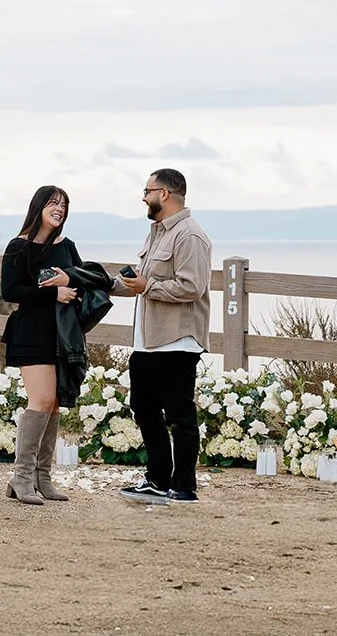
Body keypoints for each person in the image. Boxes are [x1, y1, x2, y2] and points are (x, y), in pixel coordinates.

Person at [112, 168, 212, 504]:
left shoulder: (190, 236)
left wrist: (147, 286)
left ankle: (184, 486)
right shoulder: (156, 232)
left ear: (164, 194)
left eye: (147, 190)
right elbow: (144, 280)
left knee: (180, 416)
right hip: (148, 340)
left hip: (177, 340)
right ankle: (157, 479)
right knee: (143, 408)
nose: (144, 196)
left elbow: (192, 286)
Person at [0, 184, 83, 505]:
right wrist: (53, 293)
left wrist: (69, 281)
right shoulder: (18, 246)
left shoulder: (67, 246)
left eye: (63, 204)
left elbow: (84, 280)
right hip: (31, 332)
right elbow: (11, 291)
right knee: (41, 398)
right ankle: (21, 477)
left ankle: (41, 477)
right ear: (39, 207)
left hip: (61, 335)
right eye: (53, 203)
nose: (59, 209)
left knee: (54, 403)